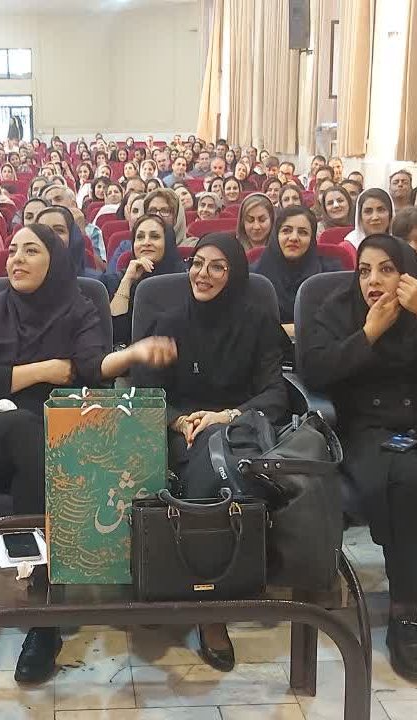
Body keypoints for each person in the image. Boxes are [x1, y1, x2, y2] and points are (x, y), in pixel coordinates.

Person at [0, 223, 176, 682]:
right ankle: (44, 613)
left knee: (47, 439)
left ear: (54, 261)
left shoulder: (78, 308)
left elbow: (91, 367)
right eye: (12, 250)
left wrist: (133, 354)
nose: (16, 259)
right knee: (26, 432)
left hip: (61, 437)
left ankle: (49, 611)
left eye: (30, 251)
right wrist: (42, 370)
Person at [132, 232, 288, 673]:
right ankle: (188, 585)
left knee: (211, 466)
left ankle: (208, 605)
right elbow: (144, 389)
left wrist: (228, 415)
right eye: (197, 263)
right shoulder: (169, 321)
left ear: (234, 274)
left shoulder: (258, 322)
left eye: (217, 266)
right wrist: (178, 420)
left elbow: (276, 392)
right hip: (177, 428)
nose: (203, 274)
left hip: (237, 430)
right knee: (199, 461)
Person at [299, 234, 417, 681]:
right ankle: (407, 610)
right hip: (365, 429)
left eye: (387, 269)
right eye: (365, 270)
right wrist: (368, 334)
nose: (373, 280)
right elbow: (314, 371)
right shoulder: (336, 309)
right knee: (405, 479)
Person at [253, 205, 343, 336]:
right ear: (275, 235)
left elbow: (337, 325)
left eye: (303, 232)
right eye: (286, 230)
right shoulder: (255, 277)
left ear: (312, 239)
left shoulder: (330, 274)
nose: (294, 238)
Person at [101, 214, 186, 346]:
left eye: (155, 236)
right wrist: (127, 281)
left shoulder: (183, 278)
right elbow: (115, 334)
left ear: (168, 242)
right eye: (140, 237)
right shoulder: (118, 279)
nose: (146, 242)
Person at [36, 205, 86, 276]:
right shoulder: (23, 278)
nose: (50, 235)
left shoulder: (94, 281)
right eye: (43, 230)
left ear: (72, 236)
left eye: (59, 230)